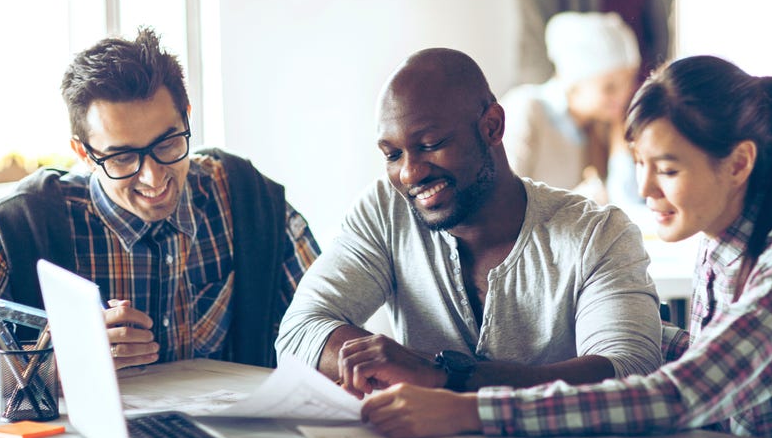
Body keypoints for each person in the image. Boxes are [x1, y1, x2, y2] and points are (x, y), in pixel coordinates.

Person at [359, 55, 772, 438]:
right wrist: (589, 315)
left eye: (667, 169)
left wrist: (468, 407)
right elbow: (711, 351)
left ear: (739, 164)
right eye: (640, 165)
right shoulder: (722, 247)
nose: (646, 190)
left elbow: (685, 393)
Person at [275, 48, 661, 399]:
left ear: (492, 126)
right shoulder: (386, 209)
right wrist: (401, 368)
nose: (409, 173)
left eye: (430, 144)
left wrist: (443, 376)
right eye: (393, 154)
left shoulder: (598, 234)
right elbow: (298, 332)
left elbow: (631, 375)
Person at [0, 28, 320, 396]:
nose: (153, 177)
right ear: (84, 154)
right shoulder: (18, 227)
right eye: (123, 157)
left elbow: (321, 318)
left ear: (186, 117)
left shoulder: (248, 199)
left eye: (168, 143)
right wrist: (64, 361)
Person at [501, 11, 642, 205]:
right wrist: (574, 203)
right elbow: (502, 203)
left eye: (630, 82)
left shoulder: (600, 127)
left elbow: (626, 203)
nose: (623, 95)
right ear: (573, 83)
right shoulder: (526, 108)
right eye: (609, 87)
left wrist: (619, 139)